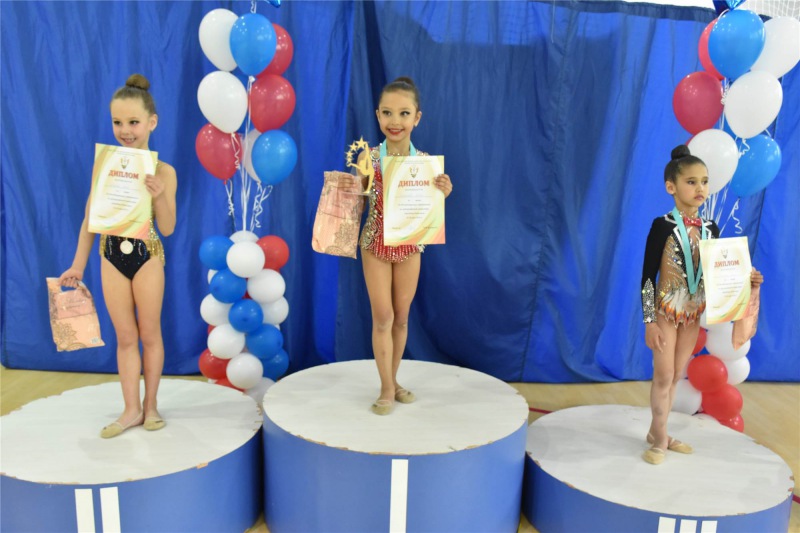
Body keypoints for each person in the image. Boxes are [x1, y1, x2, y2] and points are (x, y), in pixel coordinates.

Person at [59, 74, 177, 438]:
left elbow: (168, 227)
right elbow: (89, 219)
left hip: (147, 255)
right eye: (117, 122)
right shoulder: (105, 166)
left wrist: (159, 195)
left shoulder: (164, 171)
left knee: (150, 333)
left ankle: (151, 405)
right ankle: (130, 409)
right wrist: (78, 265)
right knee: (125, 337)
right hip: (110, 255)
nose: (125, 130)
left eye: (133, 122)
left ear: (152, 122)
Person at [640, 144, 762, 464]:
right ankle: (660, 437)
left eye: (705, 182)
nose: (700, 188)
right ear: (671, 187)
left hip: (692, 315)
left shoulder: (711, 229)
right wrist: (649, 321)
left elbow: (716, 275)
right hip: (666, 312)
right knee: (663, 375)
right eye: (691, 181)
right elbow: (648, 277)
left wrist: (746, 281)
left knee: (676, 376)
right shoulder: (662, 226)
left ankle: (658, 431)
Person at [339, 77, 453, 415]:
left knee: (401, 319)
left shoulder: (426, 164)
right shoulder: (369, 158)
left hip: (409, 247)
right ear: (377, 115)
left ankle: (394, 379)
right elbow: (355, 206)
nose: (395, 121)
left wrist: (443, 192)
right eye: (387, 112)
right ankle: (387, 387)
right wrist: (349, 190)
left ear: (417, 118)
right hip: (374, 245)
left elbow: (428, 210)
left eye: (404, 113)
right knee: (383, 318)